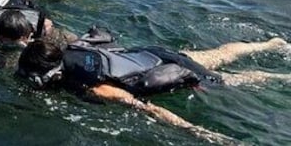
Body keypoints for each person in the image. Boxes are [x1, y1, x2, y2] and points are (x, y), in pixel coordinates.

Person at [16, 34, 290, 143]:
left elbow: (149, 109)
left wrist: (200, 133)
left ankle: (278, 78)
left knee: (228, 80)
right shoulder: (72, 50)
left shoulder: (98, 88)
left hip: (163, 69)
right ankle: (270, 44)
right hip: (153, 54)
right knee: (217, 55)